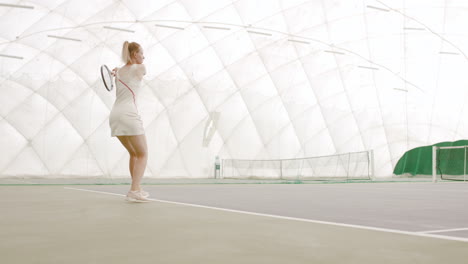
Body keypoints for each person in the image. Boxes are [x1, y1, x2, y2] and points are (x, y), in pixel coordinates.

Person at [109, 41, 149, 202]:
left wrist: (118, 69)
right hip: (129, 114)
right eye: (141, 53)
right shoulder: (140, 68)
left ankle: (136, 188)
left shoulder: (118, 72)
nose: (143, 56)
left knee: (134, 154)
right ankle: (134, 191)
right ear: (134, 54)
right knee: (143, 153)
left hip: (115, 115)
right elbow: (137, 71)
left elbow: (122, 71)